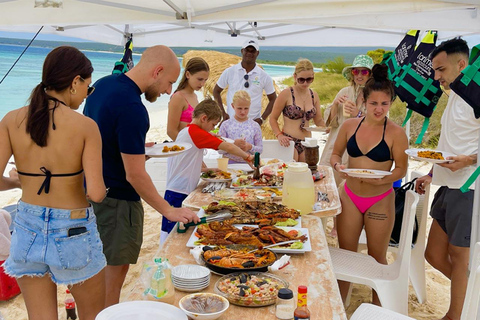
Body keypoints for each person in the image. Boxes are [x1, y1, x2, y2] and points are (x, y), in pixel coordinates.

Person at [83, 45, 200, 307]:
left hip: (90, 194)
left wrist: (135, 150)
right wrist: (167, 210)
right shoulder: (133, 108)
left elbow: (97, 138)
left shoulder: (102, 85)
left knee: (93, 276)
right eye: (169, 82)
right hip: (116, 203)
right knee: (112, 278)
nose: (169, 90)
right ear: (157, 71)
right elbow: (134, 175)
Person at [1, 46, 107, 320]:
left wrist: (17, 183)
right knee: (93, 316)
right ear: (75, 82)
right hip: (73, 228)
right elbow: (96, 193)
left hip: (26, 225)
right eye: (88, 87)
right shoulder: (85, 126)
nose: (86, 95)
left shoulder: (11, 119)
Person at [330, 64, 408, 306]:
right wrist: (338, 167)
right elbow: (335, 154)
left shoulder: (396, 133)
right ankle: (341, 305)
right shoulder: (349, 126)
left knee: (377, 258)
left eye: (384, 104)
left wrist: (384, 179)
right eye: (374, 103)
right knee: (345, 255)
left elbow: (401, 169)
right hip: (350, 195)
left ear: (391, 104)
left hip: (380, 198)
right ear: (364, 101)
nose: (379, 109)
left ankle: (378, 309)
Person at [414, 38, 478, 320]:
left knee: (460, 259)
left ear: (461, 65)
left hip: (468, 188)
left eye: (440, 69)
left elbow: (467, 152)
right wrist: (431, 172)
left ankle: (455, 315)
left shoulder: (476, 96)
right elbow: (453, 142)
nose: (436, 76)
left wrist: (470, 160)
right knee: (434, 254)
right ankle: (471, 298)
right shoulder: (454, 96)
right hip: (447, 184)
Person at [161, 98, 254, 240]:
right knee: (171, 233)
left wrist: (207, 169)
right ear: (204, 118)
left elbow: (184, 162)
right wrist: (247, 156)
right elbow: (227, 146)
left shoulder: (186, 131)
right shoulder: (195, 133)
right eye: (213, 124)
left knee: (176, 231)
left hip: (177, 186)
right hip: (178, 190)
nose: (213, 128)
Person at [320, 54, 374, 185]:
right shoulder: (344, 92)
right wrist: (335, 105)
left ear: (370, 74)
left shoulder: (374, 95)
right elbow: (330, 123)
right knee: (326, 183)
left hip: (358, 149)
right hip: (336, 144)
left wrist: (358, 114)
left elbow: (378, 124)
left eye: (364, 71)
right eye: (356, 71)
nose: (359, 75)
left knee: (347, 188)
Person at [270, 59, 325, 162]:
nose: (305, 83)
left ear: (313, 76)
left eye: (309, 79)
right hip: (289, 141)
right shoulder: (286, 93)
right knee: (289, 174)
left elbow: (318, 121)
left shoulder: (314, 95)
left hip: (307, 143)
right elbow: (273, 118)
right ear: (295, 77)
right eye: (301, 79)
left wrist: (327, 127)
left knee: (306, 174)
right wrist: (279, 135)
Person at [213, 39, 277, 126]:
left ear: (257, 53)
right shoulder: (229, 72)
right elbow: (216, 91)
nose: (249, 53)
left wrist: (262, 119)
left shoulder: (264, 76)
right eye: (247, 50)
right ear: (242, 51)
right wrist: (222, 113)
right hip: (232, 122)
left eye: (253, 51)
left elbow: (273, 99)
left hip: (252, 125)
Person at [167, 57, 209, 141]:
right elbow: (171, 131)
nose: (202, 84)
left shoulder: (194, 96)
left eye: (205, 80)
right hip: (185, 149)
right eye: (200, 79)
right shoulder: (178, 97)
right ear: (188, 75)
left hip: (194, 148)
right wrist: (185, 147)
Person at [218, 90, 263, 163]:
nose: (243, 112)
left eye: (246, 108)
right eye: (239, 108)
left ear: (250, 105)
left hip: (249, 165)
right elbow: (219, 150)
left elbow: (260, 149)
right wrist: (233, 144)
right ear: (233, 106)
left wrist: (250, 147)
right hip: (229, 165)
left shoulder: (255, 125)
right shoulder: (225, 125)